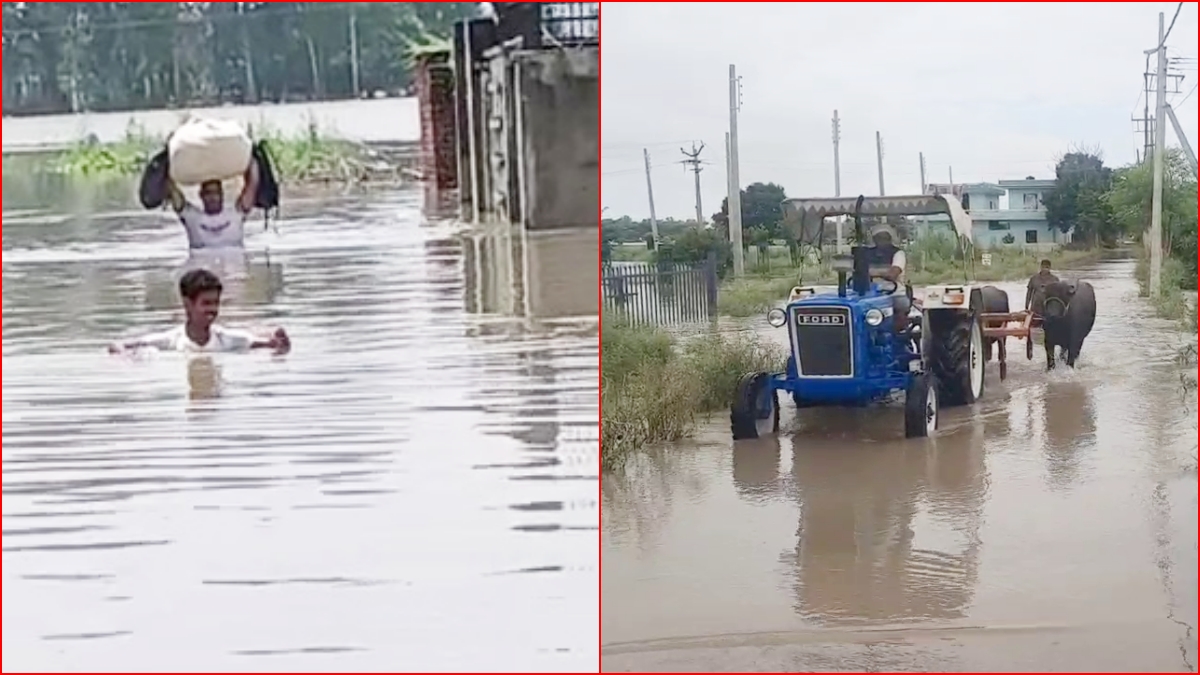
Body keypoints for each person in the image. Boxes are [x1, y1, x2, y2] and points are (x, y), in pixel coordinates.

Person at [108, 268, 289, 354]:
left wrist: (279, 342)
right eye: (206, 303)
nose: (212, 310)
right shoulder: (170, 341)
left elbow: (266, 344)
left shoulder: (226, 339)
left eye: (216, 303)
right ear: (187, 304)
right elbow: (117, 346)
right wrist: (126, 357)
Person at [167, 160, 259, 249]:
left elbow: (253, 182)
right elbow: (172, 190)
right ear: (201, 195)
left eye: (216, 193)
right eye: (208, 193)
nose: (212, 197)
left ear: (222, 194)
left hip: (233, 262)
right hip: (200, 264)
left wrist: (252, 160)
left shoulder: (235, 214)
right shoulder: (192, 217)